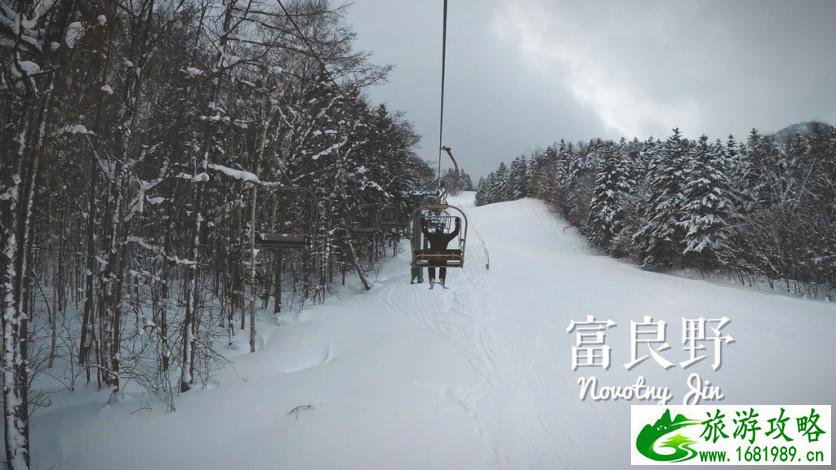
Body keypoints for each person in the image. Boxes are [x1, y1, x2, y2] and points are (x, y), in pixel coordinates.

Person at [421, 217, 461, 289]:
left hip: (432, 260)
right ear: (442, 230)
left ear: (435, 230)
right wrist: (457, 223)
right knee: (443, 261)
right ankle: (442, 278)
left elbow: (424, 231)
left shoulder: (431, 236)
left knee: (430, 261)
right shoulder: (446, 237)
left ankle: (432, 278)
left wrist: (423, 222)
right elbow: (456, 232)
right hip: (442, 260)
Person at [410, 211, 424, 284]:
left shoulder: (416, 231)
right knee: (418, 262)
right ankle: (419, 278)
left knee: (416, 262)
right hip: (419, 252)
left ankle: (415, 278)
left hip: (417, 251)